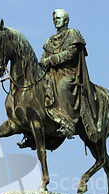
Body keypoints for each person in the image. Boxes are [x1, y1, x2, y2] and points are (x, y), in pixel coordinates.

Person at [40, 9, 98, 139]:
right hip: (51, 73)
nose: (56, 21)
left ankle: (69, 123)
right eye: (54, 19)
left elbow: (71, 53)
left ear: (65, 20)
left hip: (68, 73)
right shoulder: (50, 40)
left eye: (58, 19)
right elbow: (43, 57)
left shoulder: (73, 34)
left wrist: (50, 60)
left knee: (63, 85)